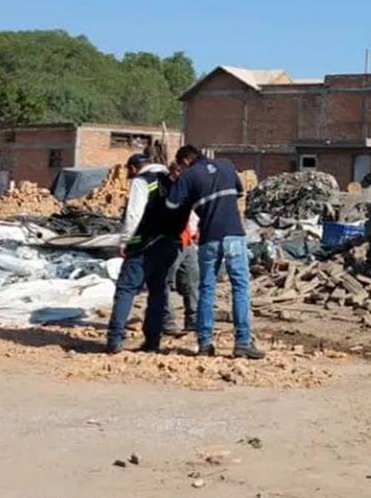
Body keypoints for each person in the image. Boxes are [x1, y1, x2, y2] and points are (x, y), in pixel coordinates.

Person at [166, 145, 265, 359]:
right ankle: (243, 343)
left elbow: (171, 204)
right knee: (240, 287)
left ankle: (204, 344)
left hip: (209, 237)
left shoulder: (189, 175)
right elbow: (239, 192)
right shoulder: (227, 165)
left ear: (184, 161)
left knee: (207, 289)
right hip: (235, 235)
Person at [105, 154, 187, 354]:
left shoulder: (142, 182)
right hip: (169, 244)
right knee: (158, 291)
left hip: (145, 244)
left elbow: (134, 214)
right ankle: (152, 341)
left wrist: (125, 241)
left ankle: (115, 339)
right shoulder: (172, 180)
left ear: (133, 169)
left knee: (126, 289)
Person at [165, 162, 201, 331]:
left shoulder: (190, 191)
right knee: (164, 282)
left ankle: (193, 320)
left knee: (191, 281)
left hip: (188, 242)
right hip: (170, 242)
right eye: (178, 171)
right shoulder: (166, 191)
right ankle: (166, 321)